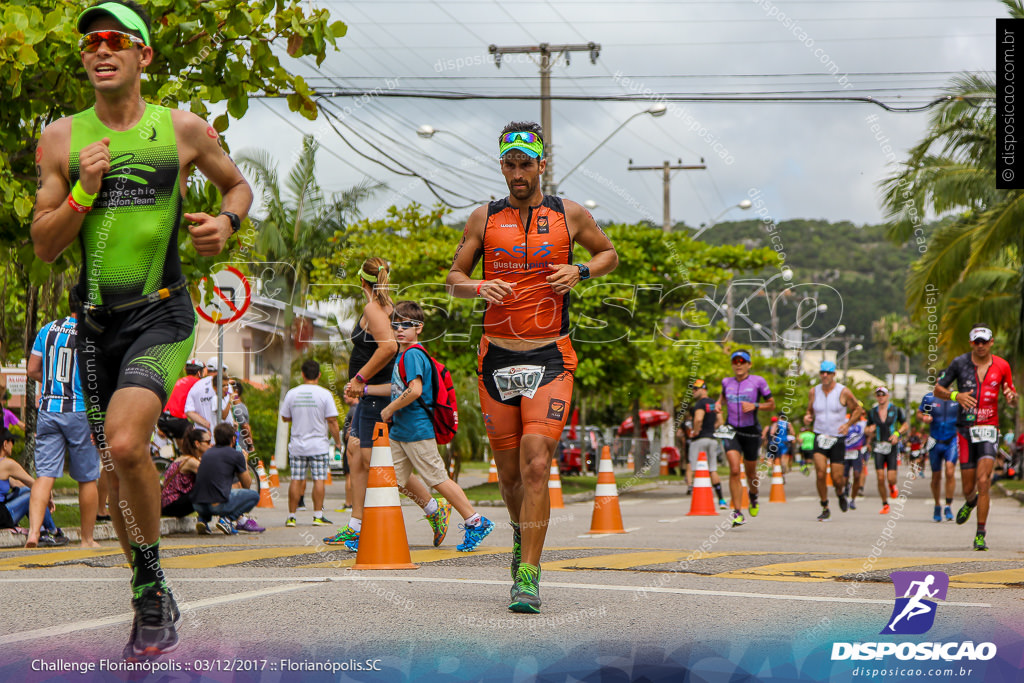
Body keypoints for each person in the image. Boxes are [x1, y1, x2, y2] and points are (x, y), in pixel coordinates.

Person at [30, 0, 253, 658]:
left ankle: (151, 590)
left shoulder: (181, 130)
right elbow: (44, 244)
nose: (100, 50)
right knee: (114, 462)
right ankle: (146, 585)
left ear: (143, 56)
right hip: (95, 323)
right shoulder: (61, 140)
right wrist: (82, 192)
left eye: (115, 41)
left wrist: (226, 224)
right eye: (89, 43)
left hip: (162, 312)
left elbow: (237, 187)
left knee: (127, 445)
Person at [446, 122, 618, 613]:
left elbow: (609, 253)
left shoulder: (571, 214)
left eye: (526, 164)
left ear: (542, 164)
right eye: (509, 164)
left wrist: (580, 270)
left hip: (550, 356)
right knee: (509, 478)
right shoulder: (483, 218)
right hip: (496, 357)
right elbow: (454, 278)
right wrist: (480, 287)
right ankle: (523, 540)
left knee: (537, 461)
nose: (517, 173)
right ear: (501, 165)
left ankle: (529, 574)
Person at [377, 301, 495, 552]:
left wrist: (389, 409)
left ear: (419, 327)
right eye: (395, 325)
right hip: (401, 430)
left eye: (407, 325)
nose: (400, 330)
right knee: (389, 479)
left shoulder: (413, 354)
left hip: (416, 430)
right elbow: (401, 388)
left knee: (437, 478)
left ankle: (475, 521)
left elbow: (415, 390)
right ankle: (376, 530)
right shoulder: (403, 354)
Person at [324, 258, 404, 547]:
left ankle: (433, 507)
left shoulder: (374, 307)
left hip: (373, 397)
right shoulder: (383, 307)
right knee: (355, 455)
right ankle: (356, 527)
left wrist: (359, 378)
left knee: (371, 460)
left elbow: (389, 347)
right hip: (367, 397)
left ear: (361, 281)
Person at [933, 324, 1017, 551]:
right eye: (976, 342)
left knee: (984, 481)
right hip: (965, 430)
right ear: (972, 343)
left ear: (991, 343)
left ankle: (980, 534)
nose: (980, 346)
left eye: (984, 341)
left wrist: (1011, 397)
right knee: (969, 487)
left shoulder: (1002, 366)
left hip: (989, 429)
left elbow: (1012, 395)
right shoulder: (959, 363)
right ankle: (970, 502)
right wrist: (955, 395)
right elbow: (937, 390)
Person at [25, 314, 103, 549]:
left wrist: (50, 384)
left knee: (45, 475)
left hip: (49, 410)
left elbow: (32, 370)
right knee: (87, 477)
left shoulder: (47, 329)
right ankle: (87, 539)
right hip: (80, 411)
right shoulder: (94, 333)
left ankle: (33, 533)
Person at [717, 350, 775, 527]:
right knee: (734, 470)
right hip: (732, 431)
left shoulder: (758, 381)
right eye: (735, 362)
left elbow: (771, 404)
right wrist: (718, 405)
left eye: (742, 361)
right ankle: (737, 512)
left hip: (751, 432)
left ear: (749, 364)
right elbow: (721, 400)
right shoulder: (727, 382)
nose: (739, 365)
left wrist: (755, 405)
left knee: (751, 473)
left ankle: (753, 495)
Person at [280, 360, 340, 528]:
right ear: (319, 375)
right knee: (319, 479)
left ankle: (291, 517)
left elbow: (285, 417)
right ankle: (318, 516)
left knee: (296, 479)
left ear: (303, 374)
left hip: (298, 445)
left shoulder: (292, 393)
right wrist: (338, 442)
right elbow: (332, 421)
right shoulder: (325, 394)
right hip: (319, 445)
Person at [804, 361, 865, 522]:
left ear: (834, 375)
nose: (825, 375)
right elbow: (809, 410)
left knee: (837, 479)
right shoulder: (813, 391)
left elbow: (857, 409)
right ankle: (825, 506)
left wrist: (847, 424)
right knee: (820, 472)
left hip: (837, 438)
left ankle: (840, 493)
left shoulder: (843, 392)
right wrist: (808, 416)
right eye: (822, 372)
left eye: (828, 373)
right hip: (820, 435)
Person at [0, 429, 69, 546]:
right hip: (2, 516)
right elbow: (35, 484)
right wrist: (47, 497)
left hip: (3, 510)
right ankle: (53, 531)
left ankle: (41, 531)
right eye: (12, 442)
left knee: (28, 492)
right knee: (33, 494)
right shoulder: (7, 464)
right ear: (5, 444)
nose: (13, 445)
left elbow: (18, 484)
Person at [192, 423, 260, 534]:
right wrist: (245, 462)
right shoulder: (235, 455)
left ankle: (203, 519)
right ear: (233, 439)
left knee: (211, 491)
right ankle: (227, 519)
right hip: (217, 506)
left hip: (197, 505)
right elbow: (247, 484)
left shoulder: (207, 453)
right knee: (254, 496)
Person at [865, 386, 907, 515]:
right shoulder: (872, 412)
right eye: (878, 395)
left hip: (891, 447)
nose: (880, 397)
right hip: (878, 446)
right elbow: (866, 429)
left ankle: (892, 486)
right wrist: (869, 431)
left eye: (883, 394)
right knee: (880, 477)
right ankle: (885, 504)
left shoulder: (896, 410)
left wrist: (897, 434)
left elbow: (905, 425)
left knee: (891, 477)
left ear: (887, 396)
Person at [687, 379, 727, 508]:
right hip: (712, 439)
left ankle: (699, 498)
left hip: (700, 439)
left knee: (694, 468)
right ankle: (721, 499)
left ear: (703, 389)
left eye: (695, 389)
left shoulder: (700, 404)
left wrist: (696, 431)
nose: (693, 391)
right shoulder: (714, 403)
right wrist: (712, 429)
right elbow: (720, 421)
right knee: (712, 469)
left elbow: (698, 419)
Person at [160, 427, 206, 518]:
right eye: (208, 442)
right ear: (197, 444)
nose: (211, 445)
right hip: (171, 505)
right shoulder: (190, 461)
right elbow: (212, 476)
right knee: (207, 488)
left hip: (167, 504)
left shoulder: (185, 457)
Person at [158, 358, 204, 443]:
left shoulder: (180, 381)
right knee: (198, 441)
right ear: (199, 372)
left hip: (163, 418)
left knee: (182, 445)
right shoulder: (198, 382)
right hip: (177, 419)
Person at [184, 358, 232, 433]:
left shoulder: (196, 386)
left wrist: (206, 424)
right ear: (220, 369)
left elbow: (189, 411)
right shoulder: (226, 385)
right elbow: (225, 414)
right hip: (225, 434)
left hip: (204, 436)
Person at [842, 413, 869, 510]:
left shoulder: (863, 423)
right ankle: (846, 487)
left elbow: (869, 432)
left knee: (857, 475)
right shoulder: (844, 421)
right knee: (843, 478)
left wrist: (868, 443)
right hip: (845, 452)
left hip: (857, 452)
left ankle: (852, 499)